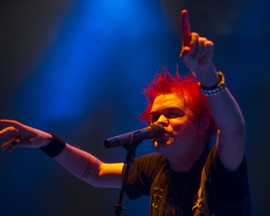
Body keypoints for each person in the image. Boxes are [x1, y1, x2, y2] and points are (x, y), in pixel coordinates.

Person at [0, 10, 251, 215]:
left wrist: (205, 72)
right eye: (154, 117)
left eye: (173, 113)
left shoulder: (218, 166)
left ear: (200, 124)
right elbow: (96, 172)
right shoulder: (155, 168)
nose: (160, 121)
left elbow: (233, 129)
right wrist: (47, 141)